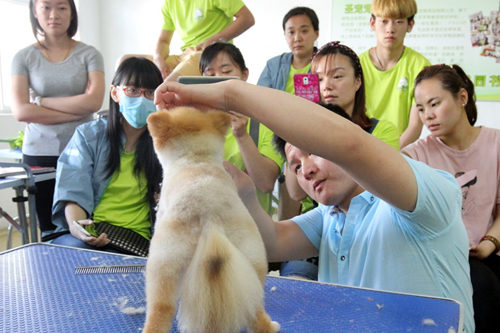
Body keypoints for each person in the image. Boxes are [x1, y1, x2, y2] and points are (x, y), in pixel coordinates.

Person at [154, 79, 475, 333]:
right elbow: (273, 243)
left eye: (312, 152)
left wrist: (230, 94)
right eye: (294, 165)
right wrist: (244, 192)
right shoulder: (331, 216)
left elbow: (350, 146)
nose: (305, 169)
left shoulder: (429, 194)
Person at [402, 64, 500, 333]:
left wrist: (489, 243)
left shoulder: (496, 143)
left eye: (434, 104)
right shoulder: (416, 154)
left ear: (462, 98)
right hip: (437, 260)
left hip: (485, 252)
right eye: (421, 109)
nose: (427, 116)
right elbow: (383, 169)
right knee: (481, 285)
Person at [10, 0, 105, 237]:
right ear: (35, 11)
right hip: (40, 153)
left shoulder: (89, 54)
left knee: (87, 225)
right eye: (46, 7)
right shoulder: (23, 57)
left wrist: (42, 102)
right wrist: (77, 107)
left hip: (84, 150)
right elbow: (21, 111)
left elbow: (94, 102)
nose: (54, 14)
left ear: (72, 13)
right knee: (49, 229)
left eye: (62, 7)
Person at [49, 57, 162, 255]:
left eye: (150, 92)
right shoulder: (88, 136)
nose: (142, 99)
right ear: (115, 93)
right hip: (92, 233)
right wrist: (78, 229)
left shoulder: (166, 144)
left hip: (138, 242)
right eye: (133, 90)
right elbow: (73, 191)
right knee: (68, 256)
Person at [199, 42, 283, 214]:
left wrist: (242, 135)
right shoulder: (196, 123)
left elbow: (266, 183)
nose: (219, 79)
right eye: (210, 73)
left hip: (253, 229)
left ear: (245, 74)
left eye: (227, 71)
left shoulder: (266, 121)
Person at [359, 0, 431, 148]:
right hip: (360, 148)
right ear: (372, 23)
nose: (390, 29)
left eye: (398, 22)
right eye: (384, 21)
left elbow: (414, 127)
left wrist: (390, 154)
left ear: (410, 25)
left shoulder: (421, 66)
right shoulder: (356, 65)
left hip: (399, 152)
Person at [155, 0, 254, 82]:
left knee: (168, 84)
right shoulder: (169, 3)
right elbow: (163, 41)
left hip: (208, 54)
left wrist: (215, 39)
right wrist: (158, 58)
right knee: (143, 63)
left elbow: (247, 18)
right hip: (185, 55)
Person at [257, 7, 319, 93]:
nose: (297, 38)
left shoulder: (326, 65)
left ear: (316, 34)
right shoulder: (273, 66)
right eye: (291, 32)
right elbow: (259, 98)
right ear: (285, 36)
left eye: (304, 31)